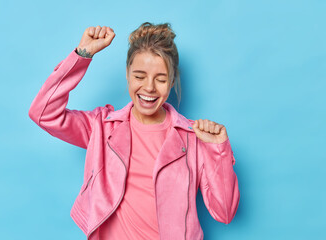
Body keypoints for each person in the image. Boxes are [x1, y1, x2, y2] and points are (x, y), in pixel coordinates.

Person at [28, 22, 240, 240]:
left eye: (161, 79)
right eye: (139, 76)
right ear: (127, 75)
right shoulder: (102, 126)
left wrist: (219, 151)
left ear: (172, 81)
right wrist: (82, 54)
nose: (149, 87)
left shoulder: (193, 138)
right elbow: (43, 113)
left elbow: (224, 212)